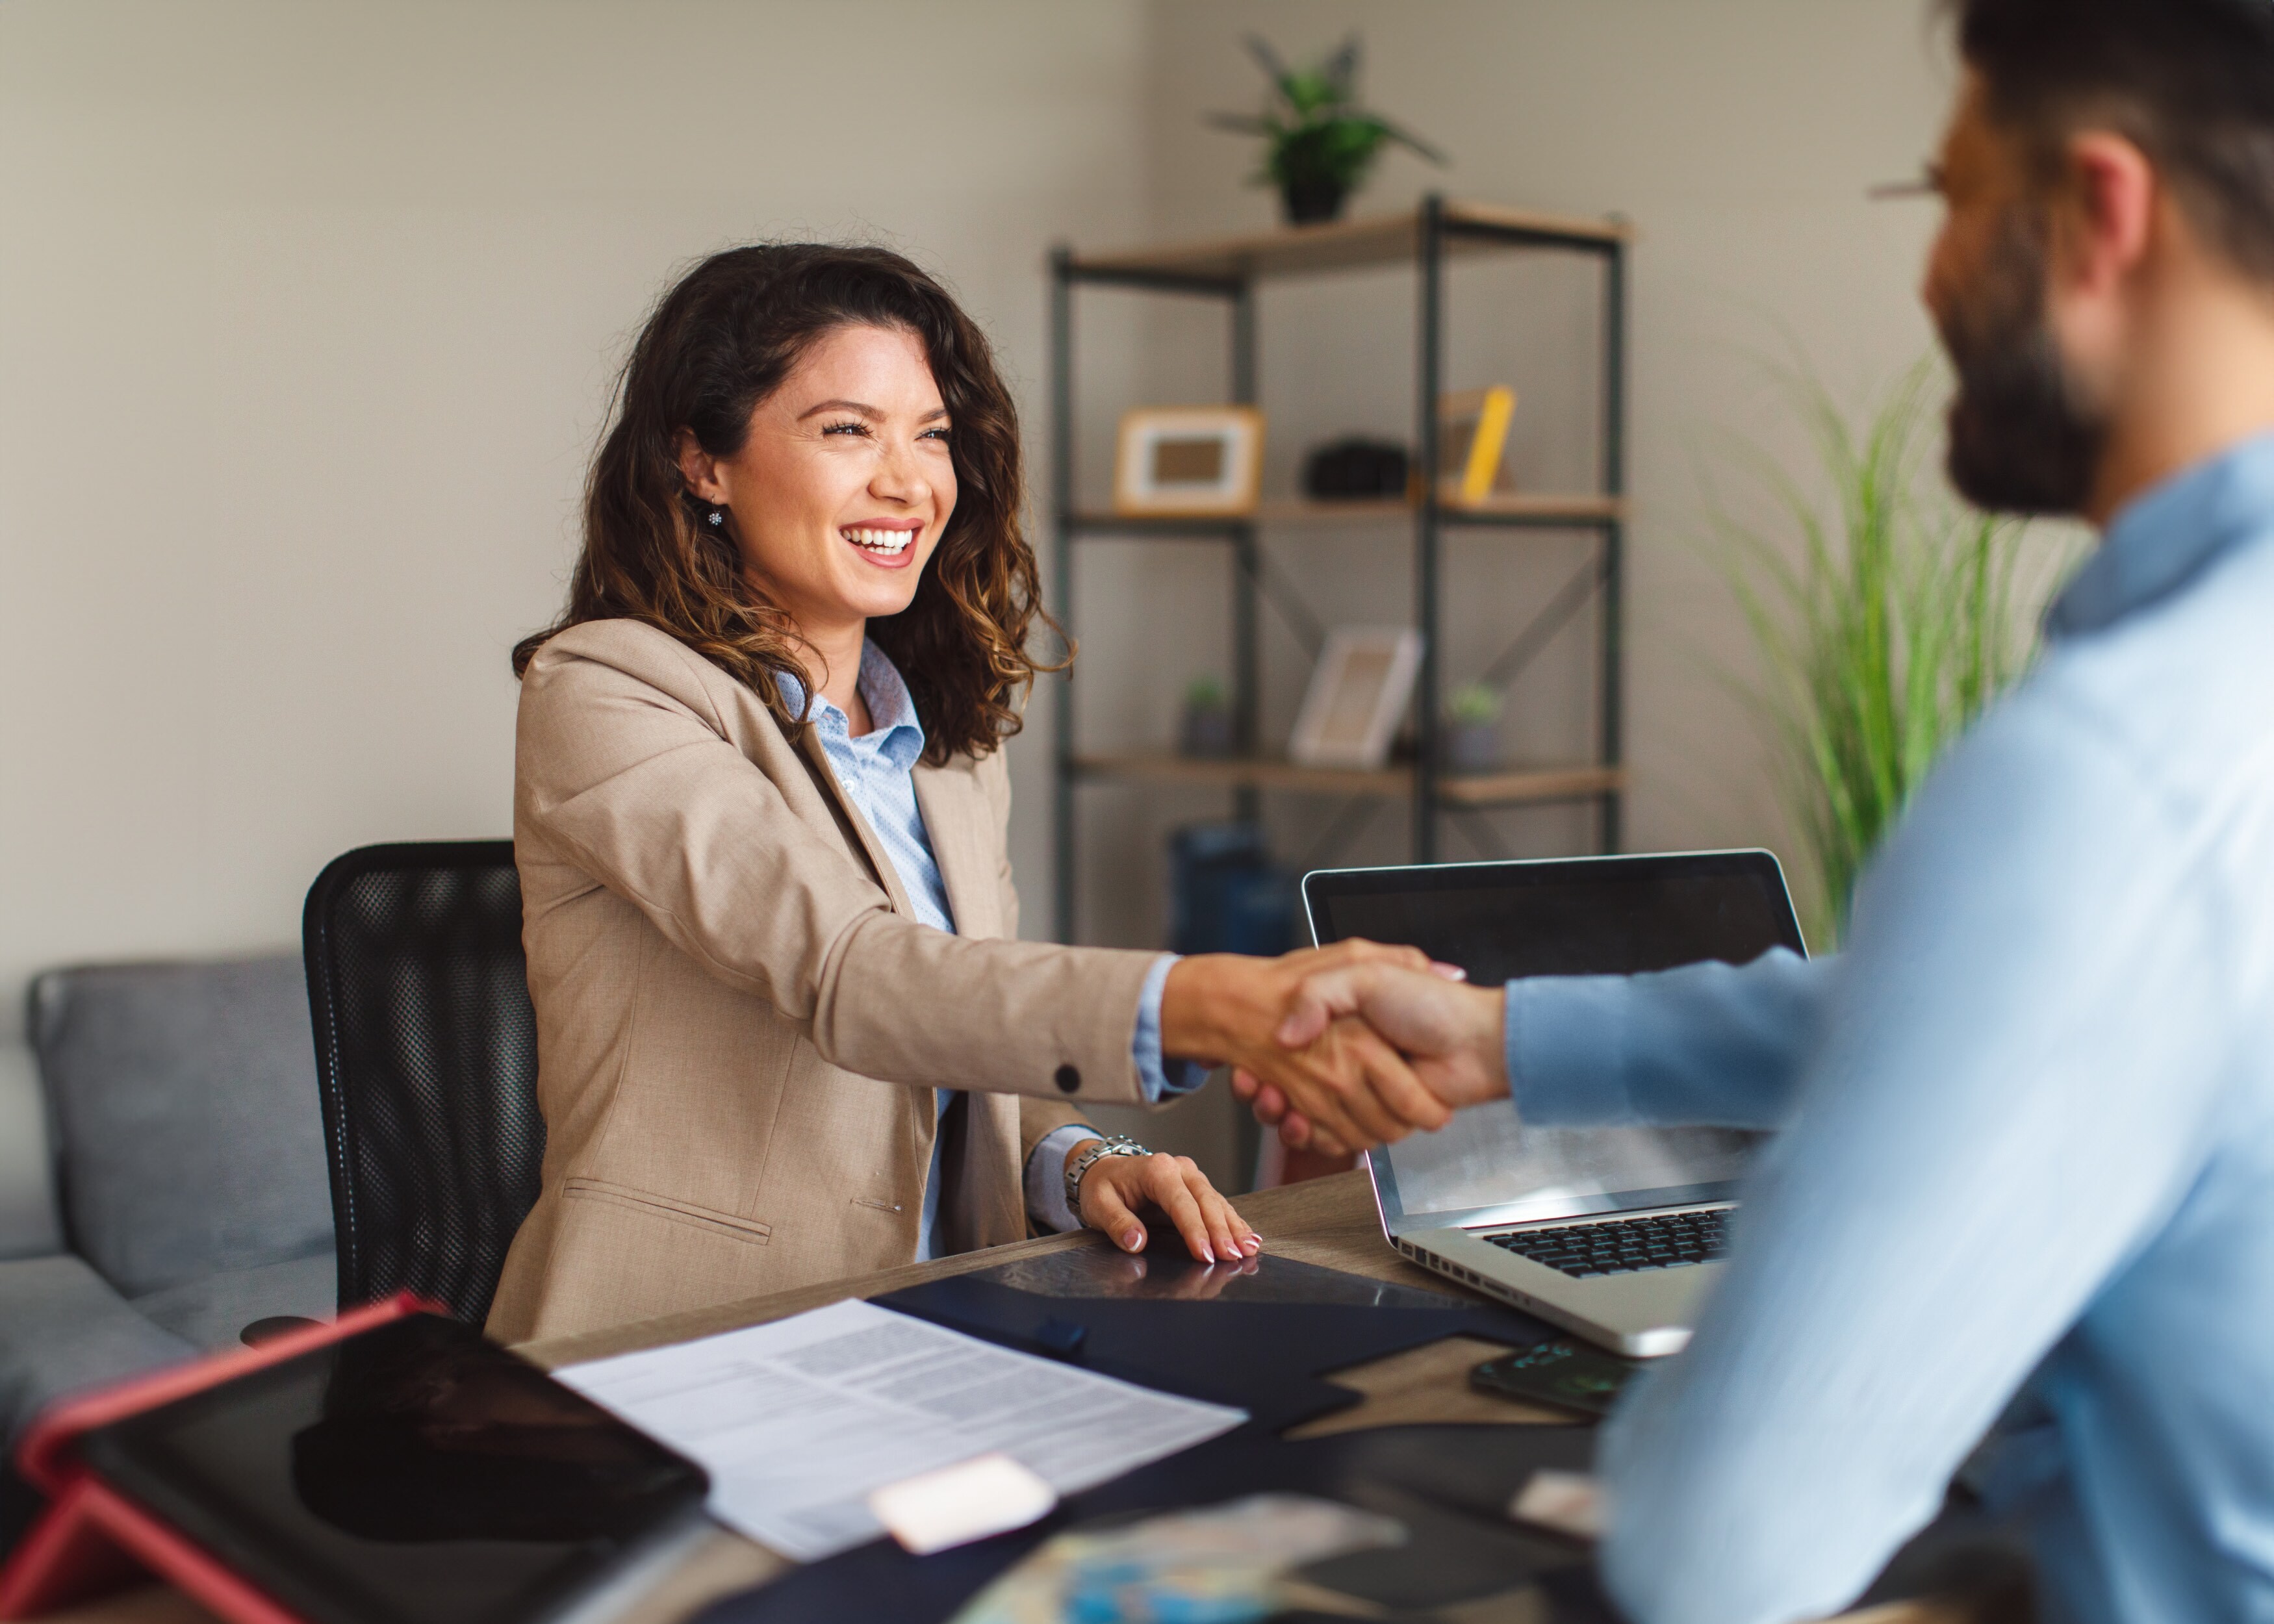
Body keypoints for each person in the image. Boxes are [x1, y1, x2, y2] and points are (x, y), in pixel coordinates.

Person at [1238, 1, 2274, 1619]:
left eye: (1950, 196)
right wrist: (1506, 1035)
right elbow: (2022, 1014)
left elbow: (1722, 1547)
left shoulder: (2108, 771)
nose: (1931, 271)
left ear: (2097, 216)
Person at [487, 244, 1450, 1345]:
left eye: (932, 433)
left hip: (945, 1325)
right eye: (847, 429)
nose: (908, 481)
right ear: (701, 461)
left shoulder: (944, 744)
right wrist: (1219, 1002)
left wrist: (1079, 1159)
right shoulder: (609, 689)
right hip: (684, 1341)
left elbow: (967, 1032)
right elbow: (855, 974)